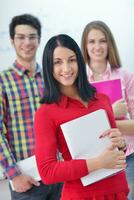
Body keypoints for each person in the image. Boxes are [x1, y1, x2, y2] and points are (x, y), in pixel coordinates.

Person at [34, 34, 129, 200]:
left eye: (71, 60)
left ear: (79, 60)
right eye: (58, 62)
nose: (66, 68)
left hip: (118, 191)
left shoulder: (102, 99)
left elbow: (116, 150)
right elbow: (47, 171)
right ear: (49, 67)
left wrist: (121, 144)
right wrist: (98, 163)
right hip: (82, 196)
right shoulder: (45, 113)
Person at [0, 14, 62, 200]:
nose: (27, 42)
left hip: (59, 174)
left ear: (39, 39)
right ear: (12, 40)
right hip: (27, 181)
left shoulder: (52, 77)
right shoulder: (3, 81)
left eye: (32, 36)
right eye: (21, 37)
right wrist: (14, 175)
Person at [81, 20, 134, 200]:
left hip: (128, 156)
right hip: (95, 159)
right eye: (92, 41)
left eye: (102, 41)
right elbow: (82, 127)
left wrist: (104, 122)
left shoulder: (125, 75)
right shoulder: (79, 83)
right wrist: (111, 112)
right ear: (85, 46)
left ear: (109, 43)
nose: (97, 46)